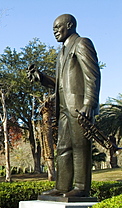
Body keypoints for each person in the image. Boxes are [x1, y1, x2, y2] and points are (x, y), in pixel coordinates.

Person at [27, 14, 100, 197]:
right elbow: (60, 83)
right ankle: (62, 187)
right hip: (63, 108)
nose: (55, 32)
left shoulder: (82, 43)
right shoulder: (61, 53)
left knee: (79, 145)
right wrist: (42, 78)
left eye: (58, 27)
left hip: (79, 106)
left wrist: (89, 103)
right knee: (63, 147)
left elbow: (92, 76)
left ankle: (82, 188)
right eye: (53, 29)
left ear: (70, 25)